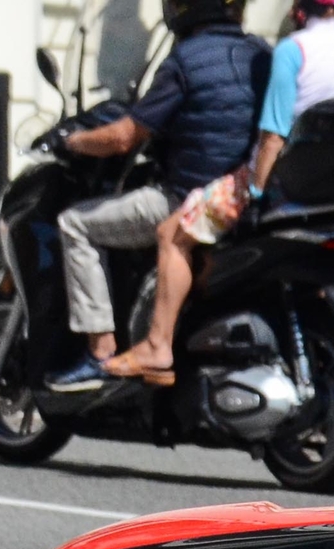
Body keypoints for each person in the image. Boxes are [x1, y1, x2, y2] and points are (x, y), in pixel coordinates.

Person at [102, 0, 334, 385]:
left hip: (283, 184)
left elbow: (272, 135)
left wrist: (253, 191)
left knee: (172, 233)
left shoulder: (294, 50)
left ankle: (157, 345)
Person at [45, 0, 271, 394]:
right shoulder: (262, 55)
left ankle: (100, 353)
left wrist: (72, 140)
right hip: (243, 196)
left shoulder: (184, 60)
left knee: (75, 223)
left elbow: (124, 136)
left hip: (185, 198)